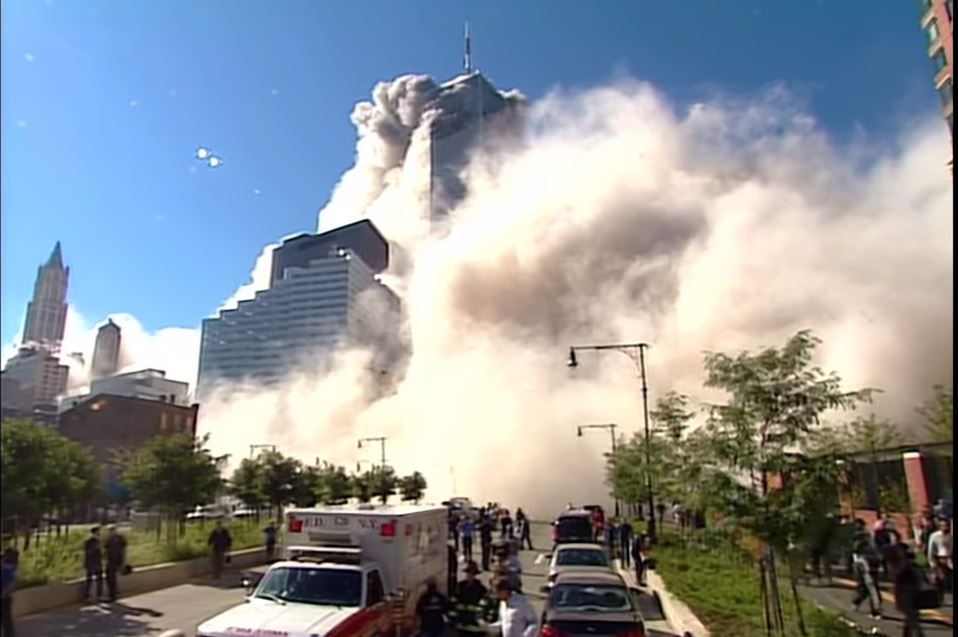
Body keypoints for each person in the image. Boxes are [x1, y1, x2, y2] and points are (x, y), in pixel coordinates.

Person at [886, 543, 926, 637]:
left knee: (912, 614)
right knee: (911, 614)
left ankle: (907, 634)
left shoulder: (911, 561)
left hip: (914, 588)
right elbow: (894, 574)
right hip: (903, 589)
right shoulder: (894, 562)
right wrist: (904, 564)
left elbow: (921, 569)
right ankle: (918, 634)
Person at [851, 519, 882, 619]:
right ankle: (873, 608)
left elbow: (854, 549)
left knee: (868, 586)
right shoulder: (868, 536)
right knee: (869, 586)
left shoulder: (860, 536)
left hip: (863, 562)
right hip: (867, 562)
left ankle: (875, 609)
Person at [450, 561, 489, 637]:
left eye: (472, 573)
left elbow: (486, 605)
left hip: (476, 627)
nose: (470, 575)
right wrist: (453, 619)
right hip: (462, 624)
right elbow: (453, 603)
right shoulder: (460, 587)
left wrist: (484, 620)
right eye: (468, 573)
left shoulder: (481, 589)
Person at [927, 517, 953, 602]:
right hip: (939, 558)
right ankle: (939, 598)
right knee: (940, 579)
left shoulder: (951, 536)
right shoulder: (935, 536)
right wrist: (932, 563)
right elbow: (931, 550)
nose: (945, 528)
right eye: (943, 526)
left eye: (947, 526)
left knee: (949, 579)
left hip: (950, 558)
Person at [104, 525, 127, 602]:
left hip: (117, 560)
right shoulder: (109, 539)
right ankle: (113, 593)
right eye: (110, 530)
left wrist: (123, 561)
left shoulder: (120, 538)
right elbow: (106, 550)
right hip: (110, 560)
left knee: (112, 578)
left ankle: (112, 595)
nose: (110, 532)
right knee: (109, 578)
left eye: (112, 530)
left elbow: (124, 550)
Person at [83, 526, 104, 601]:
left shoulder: (99, 541)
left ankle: (99, 595)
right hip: (91, 563)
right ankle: (87, 596)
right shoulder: (89, 541)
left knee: (99, 580)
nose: (100, 533)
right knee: (89, 580)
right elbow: (87, 552)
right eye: (98, 531)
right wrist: (95, 548)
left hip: (98, 563)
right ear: (95, 532)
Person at [2, 546, 18, 637]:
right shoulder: (6, 568)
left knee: (6, 620)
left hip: (5, 598)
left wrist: (4, 593)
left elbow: (11, 584)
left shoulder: (11, 569)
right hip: (5, 596)